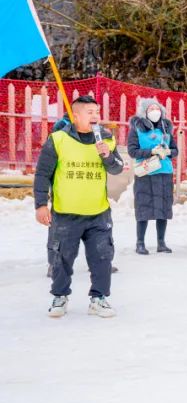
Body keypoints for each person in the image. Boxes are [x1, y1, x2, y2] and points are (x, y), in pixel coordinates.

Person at [33, 95, 125, 318]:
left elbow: (117, 168)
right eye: (89, 112)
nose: (95, 116)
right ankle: (60, 297)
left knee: (102, 257)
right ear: (76, 115)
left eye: (97, 112)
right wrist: (40, 204)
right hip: (66, 213)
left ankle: (99, 299)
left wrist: (106, 156)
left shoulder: (106, 138)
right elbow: (43, 173)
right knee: (61, 257)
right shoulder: (58, 139)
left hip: (98, 212)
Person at [126, 97, 178, 255]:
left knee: (163, 208)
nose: (154, 111)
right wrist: (151, 152)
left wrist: (168, 152)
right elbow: (132, 151)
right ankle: (140, 242)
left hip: (164, 172)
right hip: (146, 172)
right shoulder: (137, 128)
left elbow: (175, 150)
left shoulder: (166, 128)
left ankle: (161, 243)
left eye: (157, 109)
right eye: (150, 109)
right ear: (144, 112)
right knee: (144, 207)